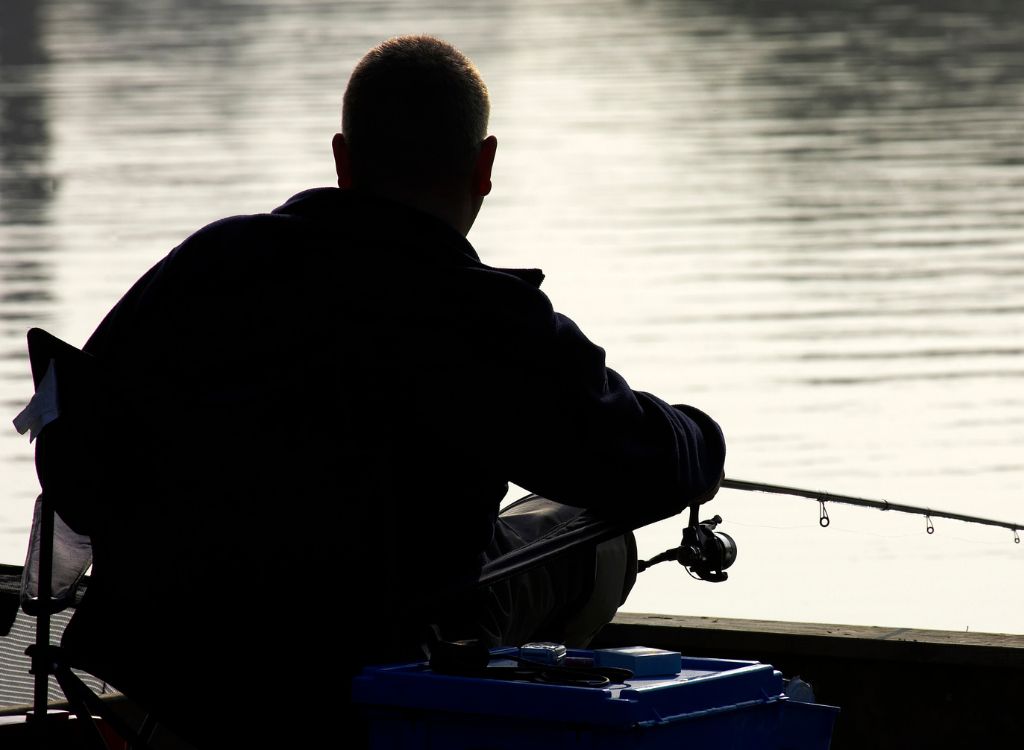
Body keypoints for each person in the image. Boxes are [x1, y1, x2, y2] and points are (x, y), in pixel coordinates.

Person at [56, 35, 725, 748]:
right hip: (380, 657)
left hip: (174, 665)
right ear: (484, 166)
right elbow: (648, 466)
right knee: (599, 541)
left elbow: (71, 452)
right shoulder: (482, 317)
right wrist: (699, 432)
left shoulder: (208, 264)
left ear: (343, 160)